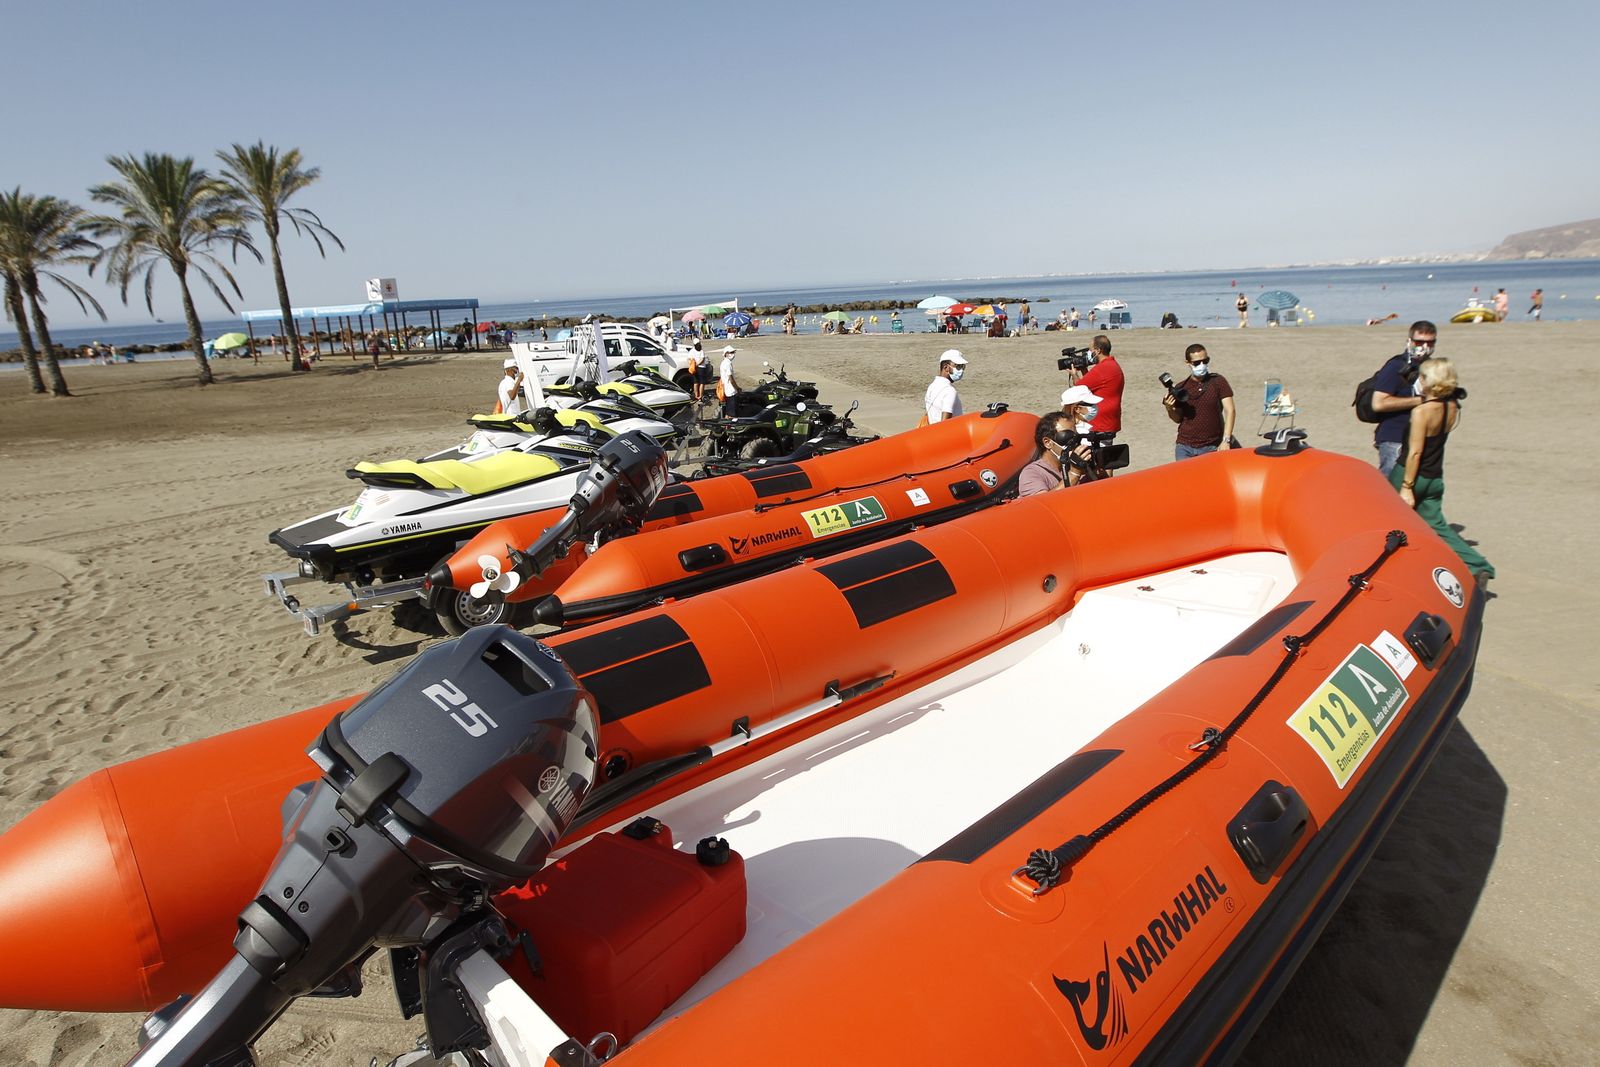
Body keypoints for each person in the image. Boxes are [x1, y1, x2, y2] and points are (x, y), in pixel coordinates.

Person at [1388, 358, 1494, 582]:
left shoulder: (1422, 412)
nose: (1419, 380)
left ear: (1431, 381)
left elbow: (1415, 453)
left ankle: (1399, 570)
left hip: (1410, 475)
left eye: (1423, 377)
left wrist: (1407, 487)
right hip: (1434, 476)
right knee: (1438, 527)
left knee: (1388, 518)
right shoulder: (1452, 406)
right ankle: (1477, 564)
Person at [1368, 320, 1437, 476]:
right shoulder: (1395, 367)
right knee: (1392, 489)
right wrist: (1421, 400)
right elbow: (1378, 403)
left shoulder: (1431, 367)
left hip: (1421, 439)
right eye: (1419, 342)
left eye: (1430, 342)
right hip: (1395, 438)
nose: (1425, 347)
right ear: (1410, 341)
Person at [1164, 343, 1236, 460]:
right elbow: (1177, 419)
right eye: (1196, 363)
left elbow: (1230, 410)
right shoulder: (1181, 387)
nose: (1201, 365)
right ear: (1187, 363)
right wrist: (1169, 408)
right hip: (1185, 446)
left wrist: (1226, 440)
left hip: (1211, 446)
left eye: (1205, 361)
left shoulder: (1218, 382)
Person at [1019, 413, 1092, 496]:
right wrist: (1074, 473)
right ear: (1048, 443)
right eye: (1067, 437)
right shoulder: (1032, 473)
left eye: (1076, 437)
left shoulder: (1079, 465)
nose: (1074, 443)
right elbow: (1042, 504)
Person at [1065, 334, 1124, 437]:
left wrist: (1074, 374)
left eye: (1090, 350)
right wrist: (1083, 369)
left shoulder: (1102, 369)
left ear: (1097, 351)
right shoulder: (1112, 365)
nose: (1089, 353)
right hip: (1110, 420)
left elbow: (1079, 388)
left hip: (1100, 423)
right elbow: (1093, 384)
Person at [923, 349, 967, 424]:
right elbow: (944, 424)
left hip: (933, 431)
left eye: (963, 367)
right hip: (949, 434)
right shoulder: (950, 391)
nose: (961, 370)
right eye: (958, 366)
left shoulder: (932, 386)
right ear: (946, 367)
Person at [718, 345, 739, 415]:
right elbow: (731, 379)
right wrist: (737, 388)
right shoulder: (727, 363)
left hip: (728, 390)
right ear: (726, 353)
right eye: (731, 352)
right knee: (732, 413)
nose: (733, 354)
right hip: (731, 390)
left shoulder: (724, 362)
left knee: (729, 411)